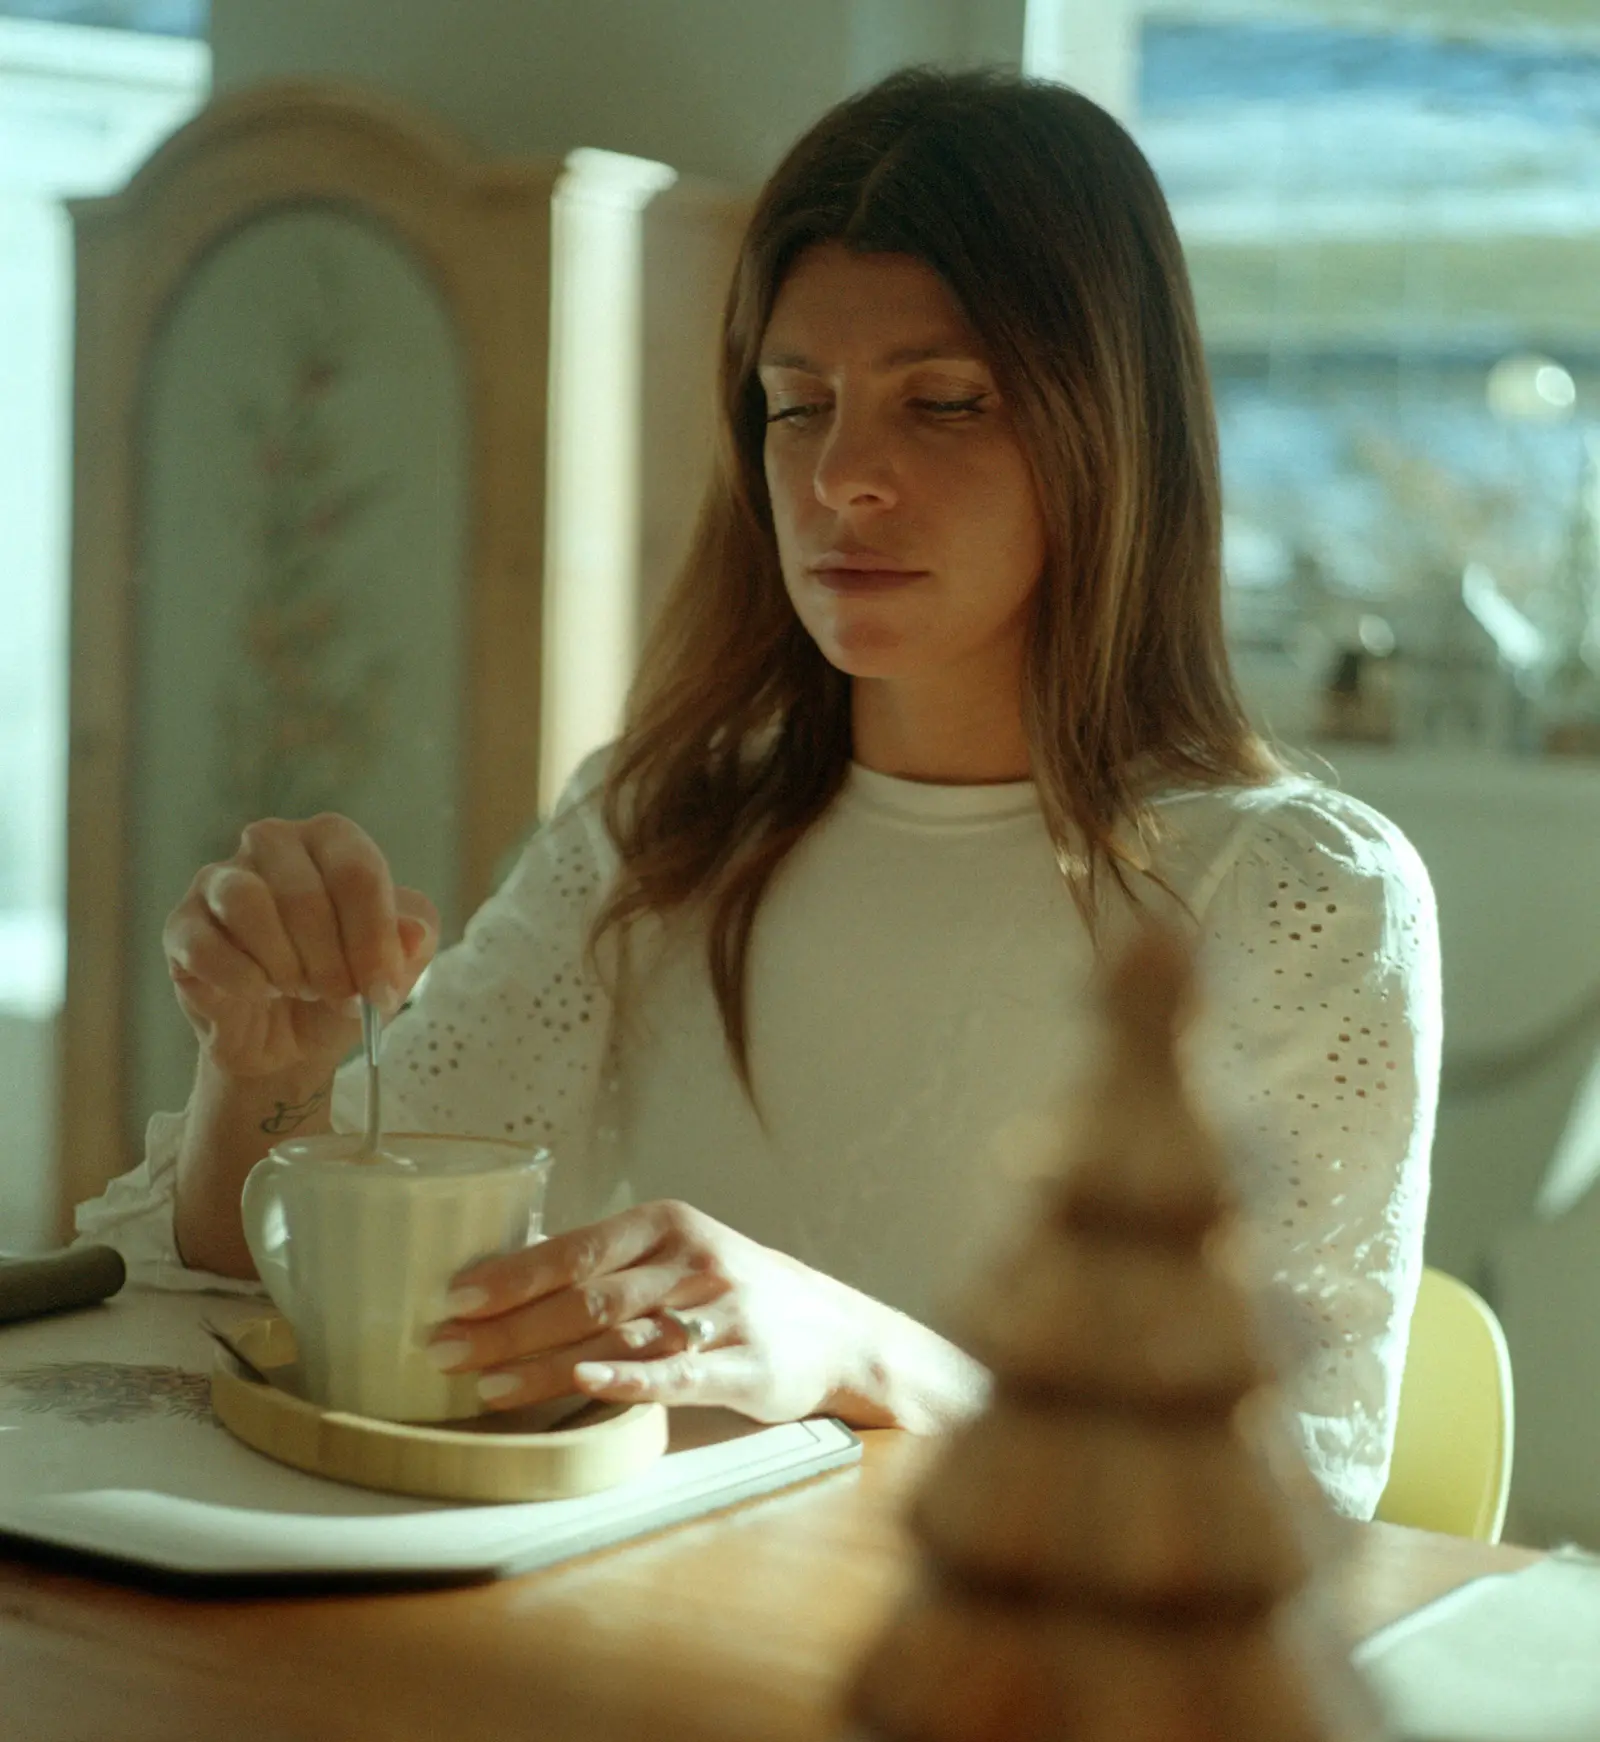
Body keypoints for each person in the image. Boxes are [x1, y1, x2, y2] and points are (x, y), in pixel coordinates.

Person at [79, 67, 1441, 1516]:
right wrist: (267, 1075)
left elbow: (1291, 1497)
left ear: (1112, 428)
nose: (845, 475)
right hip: (621, 1619)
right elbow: (275, 1278)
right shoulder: (653, 828)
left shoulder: (1300, 893)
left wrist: (852, 1349)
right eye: (798, 406)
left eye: (944, 402)